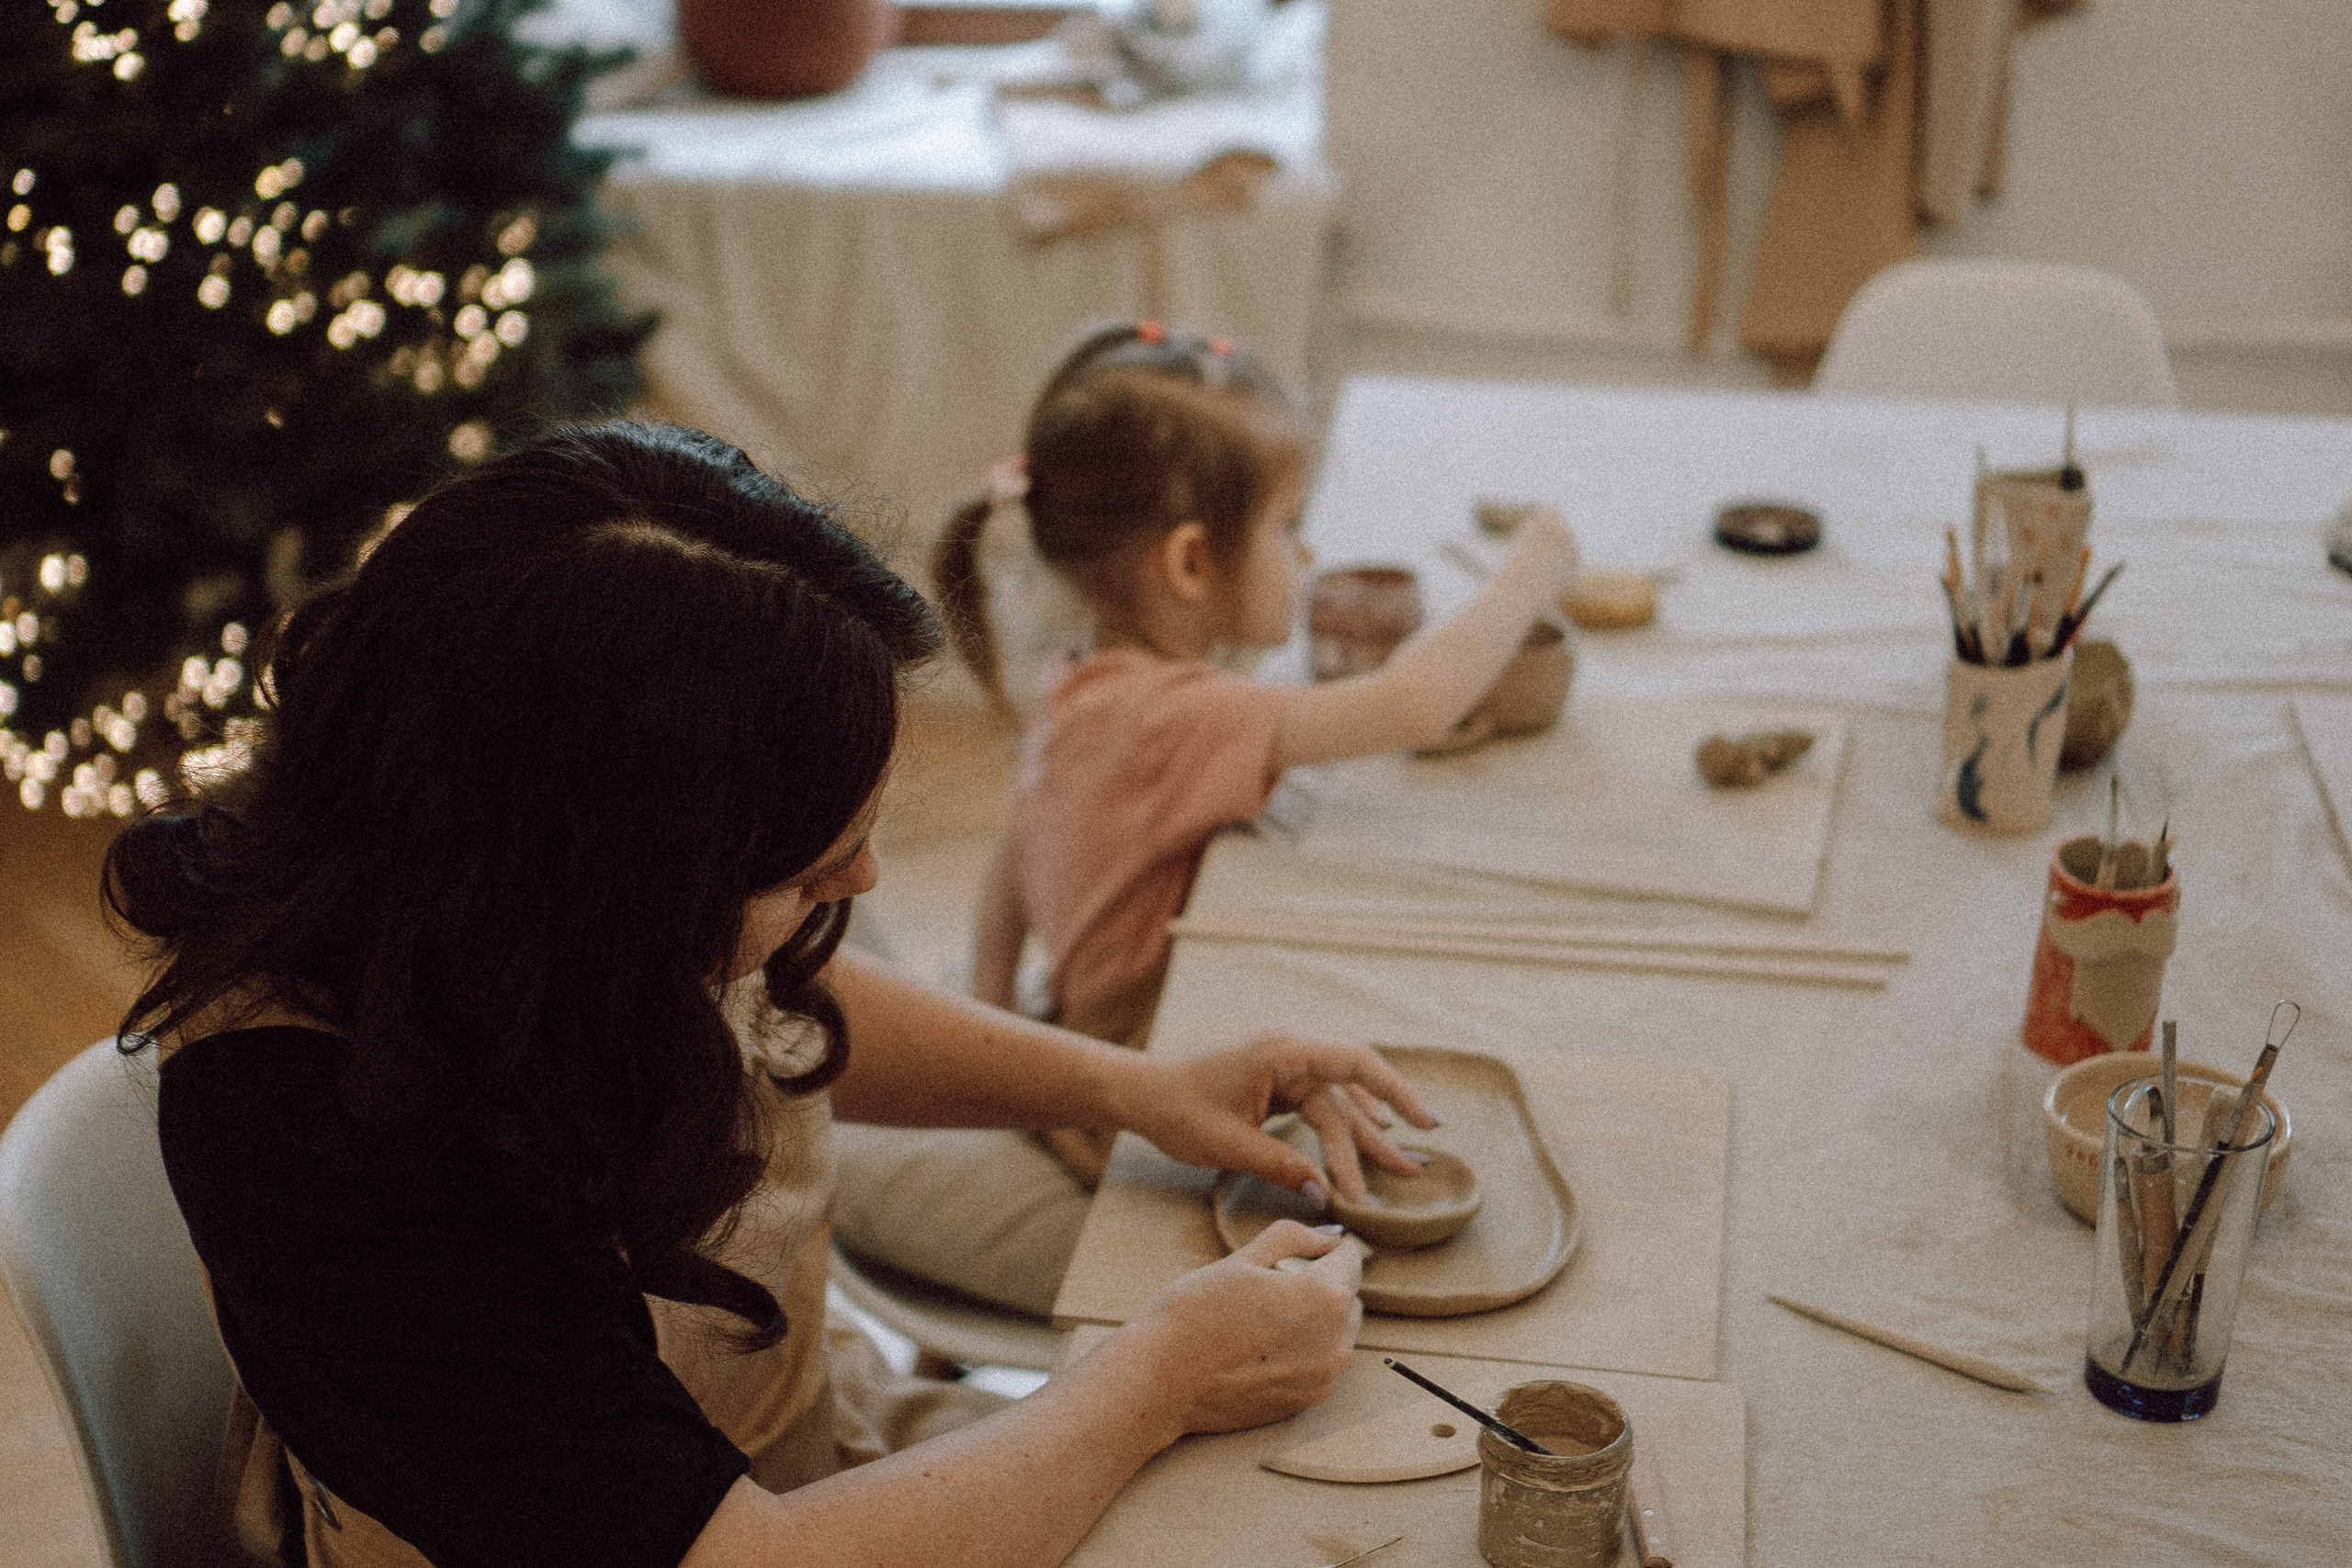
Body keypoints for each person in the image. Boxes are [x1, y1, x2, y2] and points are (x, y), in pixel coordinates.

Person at [109, 421, 1436, 1568]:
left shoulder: (539, 915)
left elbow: (778, 998)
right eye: (805, 871)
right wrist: (1156, 1376)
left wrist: (1133, 1086)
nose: (862, 875)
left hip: (793, 1461)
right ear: (585, 879)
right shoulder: (315, 1145)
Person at [828, 322, 1577, 1315]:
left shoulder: (1089, 680)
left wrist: (1007, 1008)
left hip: (1087, 1030)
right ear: (1188, 565)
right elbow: (1412, 705)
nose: (1306, 552)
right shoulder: (1177, 717)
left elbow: (1014, 853)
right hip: (1141, 1073)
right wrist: (1531, 570)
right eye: (1285, 525)